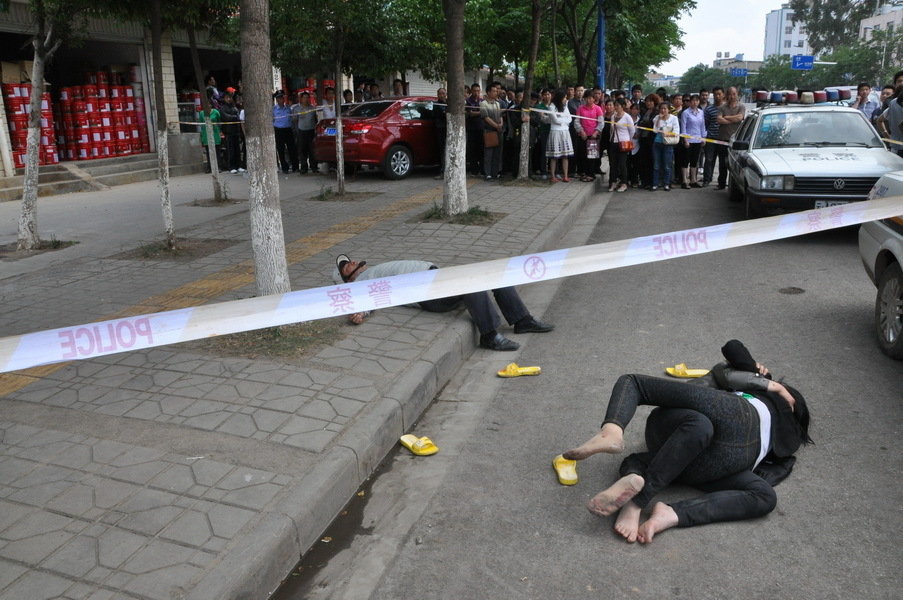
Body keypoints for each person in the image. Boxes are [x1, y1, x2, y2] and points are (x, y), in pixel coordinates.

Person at [558, 340, 812, 544]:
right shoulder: (776, 416)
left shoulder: (770, 396)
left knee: (635, 384)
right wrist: (765, 379)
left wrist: (770, 383)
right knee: (702, 428)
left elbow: (732, 350)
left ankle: (659, 502)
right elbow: (733, 348)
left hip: (701, 450)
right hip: (715, 443)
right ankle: (639, 501)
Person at [333, 254, 554, 351]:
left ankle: (522, 320)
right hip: (428, 293)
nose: (351, 261)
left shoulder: (373, 270)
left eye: (349, 260)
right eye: (346, 266)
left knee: (491, 273)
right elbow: (367, 295)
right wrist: (361, 313)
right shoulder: (362, 280)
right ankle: (489, 336)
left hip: (435, 279)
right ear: (348, 279)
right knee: (470, 283)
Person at [715, 86, 745, 190]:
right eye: (730, 94)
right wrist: (733, 119)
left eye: (734, 94)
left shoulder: (741, 106)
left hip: (735, 140)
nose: (732, 96)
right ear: (727, 95)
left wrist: (726, 117)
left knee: (734, 163)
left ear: (737, 94)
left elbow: (740, 118)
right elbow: (719, 120)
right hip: (722, 138)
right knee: (722, 163)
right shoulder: (722, 107)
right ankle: (721, 183)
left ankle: (733, 185)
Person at [545, 89, 574, 183]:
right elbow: (555, 120)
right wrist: (563, 120)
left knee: (565, 155)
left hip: (565, 132)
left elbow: (570, 118)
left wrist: (562, 120)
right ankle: (553, 176)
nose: (566, 99)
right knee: (554, 156)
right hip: (555, 132)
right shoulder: (551, 107)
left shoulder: (565, 106)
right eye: (565, 97)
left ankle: (565, 176)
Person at [574, 89, 604, 182]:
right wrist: (581, 131)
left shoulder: (598, 109)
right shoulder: (580, 108)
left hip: (593, 136)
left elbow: (601, 123)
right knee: (583, 155)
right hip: (583, 136)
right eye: (586, 98)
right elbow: (577, 121)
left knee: (592, 156)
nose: (588, 100)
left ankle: (591, 174)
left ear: (593, 99)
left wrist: (596, 132)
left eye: (590, 98)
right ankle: (584, 173)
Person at [607, 98, 634, 193]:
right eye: (615, 105)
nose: (616, 107)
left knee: (622, 164)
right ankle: (613, 182)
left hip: (623, 143)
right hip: (613, 142)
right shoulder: (613, 116)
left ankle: (624, 183)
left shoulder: (627, 117)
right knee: (613, 164)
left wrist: (628, 140)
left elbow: (632, 131)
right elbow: (611, 129)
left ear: (622, 106)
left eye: (618, 105)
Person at [678, 94, 706, 188]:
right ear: (689, 102)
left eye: (697, 101)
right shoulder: (685, 113)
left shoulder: (701, 112)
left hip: (697, 140)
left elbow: (703, 126)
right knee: (685, 160)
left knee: (694, 161)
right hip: (688, 140)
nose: (695, 102)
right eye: (693, 101)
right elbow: (683, 127)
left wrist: (703, 138)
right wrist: (685, 140)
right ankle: (684, 180)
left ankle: (693, 180)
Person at [651, 101, 679, 191]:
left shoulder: (674, 118)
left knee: (667, 165)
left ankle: (667, 183)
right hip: (657, 143)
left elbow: (676, 132)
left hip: (668, 144)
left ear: (668, 110)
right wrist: (659, 119)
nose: (663, 110)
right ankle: (655, 183)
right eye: (661, 108)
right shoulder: (656, 117)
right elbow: (655, 130)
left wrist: (666, 134)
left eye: (665, 108)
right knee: (656, 165)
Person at [481, 82, 505, 180]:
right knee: (488, 153)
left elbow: (500, 116)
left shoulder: (497, 104)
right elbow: (486, 117)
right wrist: (496, 125)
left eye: (496, 91)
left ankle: (496, 172)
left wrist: (501, 124)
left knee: (497, 152)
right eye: (494, 91)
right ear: (488, 92)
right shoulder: (483, 104)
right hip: (489, 131)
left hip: (498, 130)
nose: (496, 92)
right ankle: (487, 173)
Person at [637, 93, 659, 190]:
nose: (648, 103)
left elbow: (651, 124)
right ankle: (644, 181)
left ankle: (651, 182)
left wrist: (644, 124)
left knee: (651, 161)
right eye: (647, 101)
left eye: (650, 101)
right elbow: (641, 123)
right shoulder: (645, 112)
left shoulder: (656, 113)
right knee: (643, 161)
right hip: (643, 139)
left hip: (652, 140)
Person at [272, 90, 298, 174]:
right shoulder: (274, 109)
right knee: (281, 149)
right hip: (278, 130)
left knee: (292, 148)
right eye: (279, 98)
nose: (281, 99)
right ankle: (284, 167)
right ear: (276, 99)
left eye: (282, 97)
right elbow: (272, 120)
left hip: (288, 130)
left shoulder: (288, 108)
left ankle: (295, 166)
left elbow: (292, 119)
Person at [702, 87, 723, 187]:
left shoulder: (726, 108)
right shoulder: (709, 109)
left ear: (723, 95)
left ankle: (721, 182)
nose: (717, 96)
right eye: (715, 94)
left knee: (723, 161)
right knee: (709, 159)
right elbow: (705, 124)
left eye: (719, 94)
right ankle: (707, 179)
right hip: (711, 137)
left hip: (723, 138)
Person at [293, 91, 318, 174]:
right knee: (302, 150)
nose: (306, 99)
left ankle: (314, 166)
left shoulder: (312, 108)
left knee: (312, 150)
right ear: (301, 99)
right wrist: (297, 132)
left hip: (311, 131)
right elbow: (294, 121)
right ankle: (304, 168)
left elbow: (315, 119)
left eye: (307, 98)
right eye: (304, 98)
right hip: (301, 131)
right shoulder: (297, 109)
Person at [218, 92, 243, 174]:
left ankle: (238, 166)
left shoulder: (234, 107)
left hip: (236, 131)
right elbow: (226, 117)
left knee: (237, 150)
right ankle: (231, 166)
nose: (229, 99)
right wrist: (234, 117)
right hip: (228, 132)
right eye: (227, 97)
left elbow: (238, 117)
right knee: (230, 150)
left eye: (230, 97)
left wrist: (234, 117)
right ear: (224, 98)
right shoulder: (223, 108)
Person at [877, 85, 903, 157]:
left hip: (895, 148)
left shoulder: (893, 103)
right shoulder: (894, 103)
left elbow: (879, 120)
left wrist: (887, 136)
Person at [466, 83, 484, 175]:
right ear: (471, 91)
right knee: (472, 149)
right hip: (472, 128)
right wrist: (481, 112)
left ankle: (482, 169)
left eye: (478, 91)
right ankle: (474, 170)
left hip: (481, 128)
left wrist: (479, 112)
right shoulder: (468, 101)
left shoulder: (482, 101)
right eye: (474, 91)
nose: (476, 93)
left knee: (481, 148)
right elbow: (470, 113)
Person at [433, 88, 448, 179]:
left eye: (443, 93)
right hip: (440, 129)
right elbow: (442, 115)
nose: (442, 95)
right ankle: (442, 171)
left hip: (448, 129)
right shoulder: (436, 104)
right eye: (440, 94)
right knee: (442, 151)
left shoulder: (448, 103)